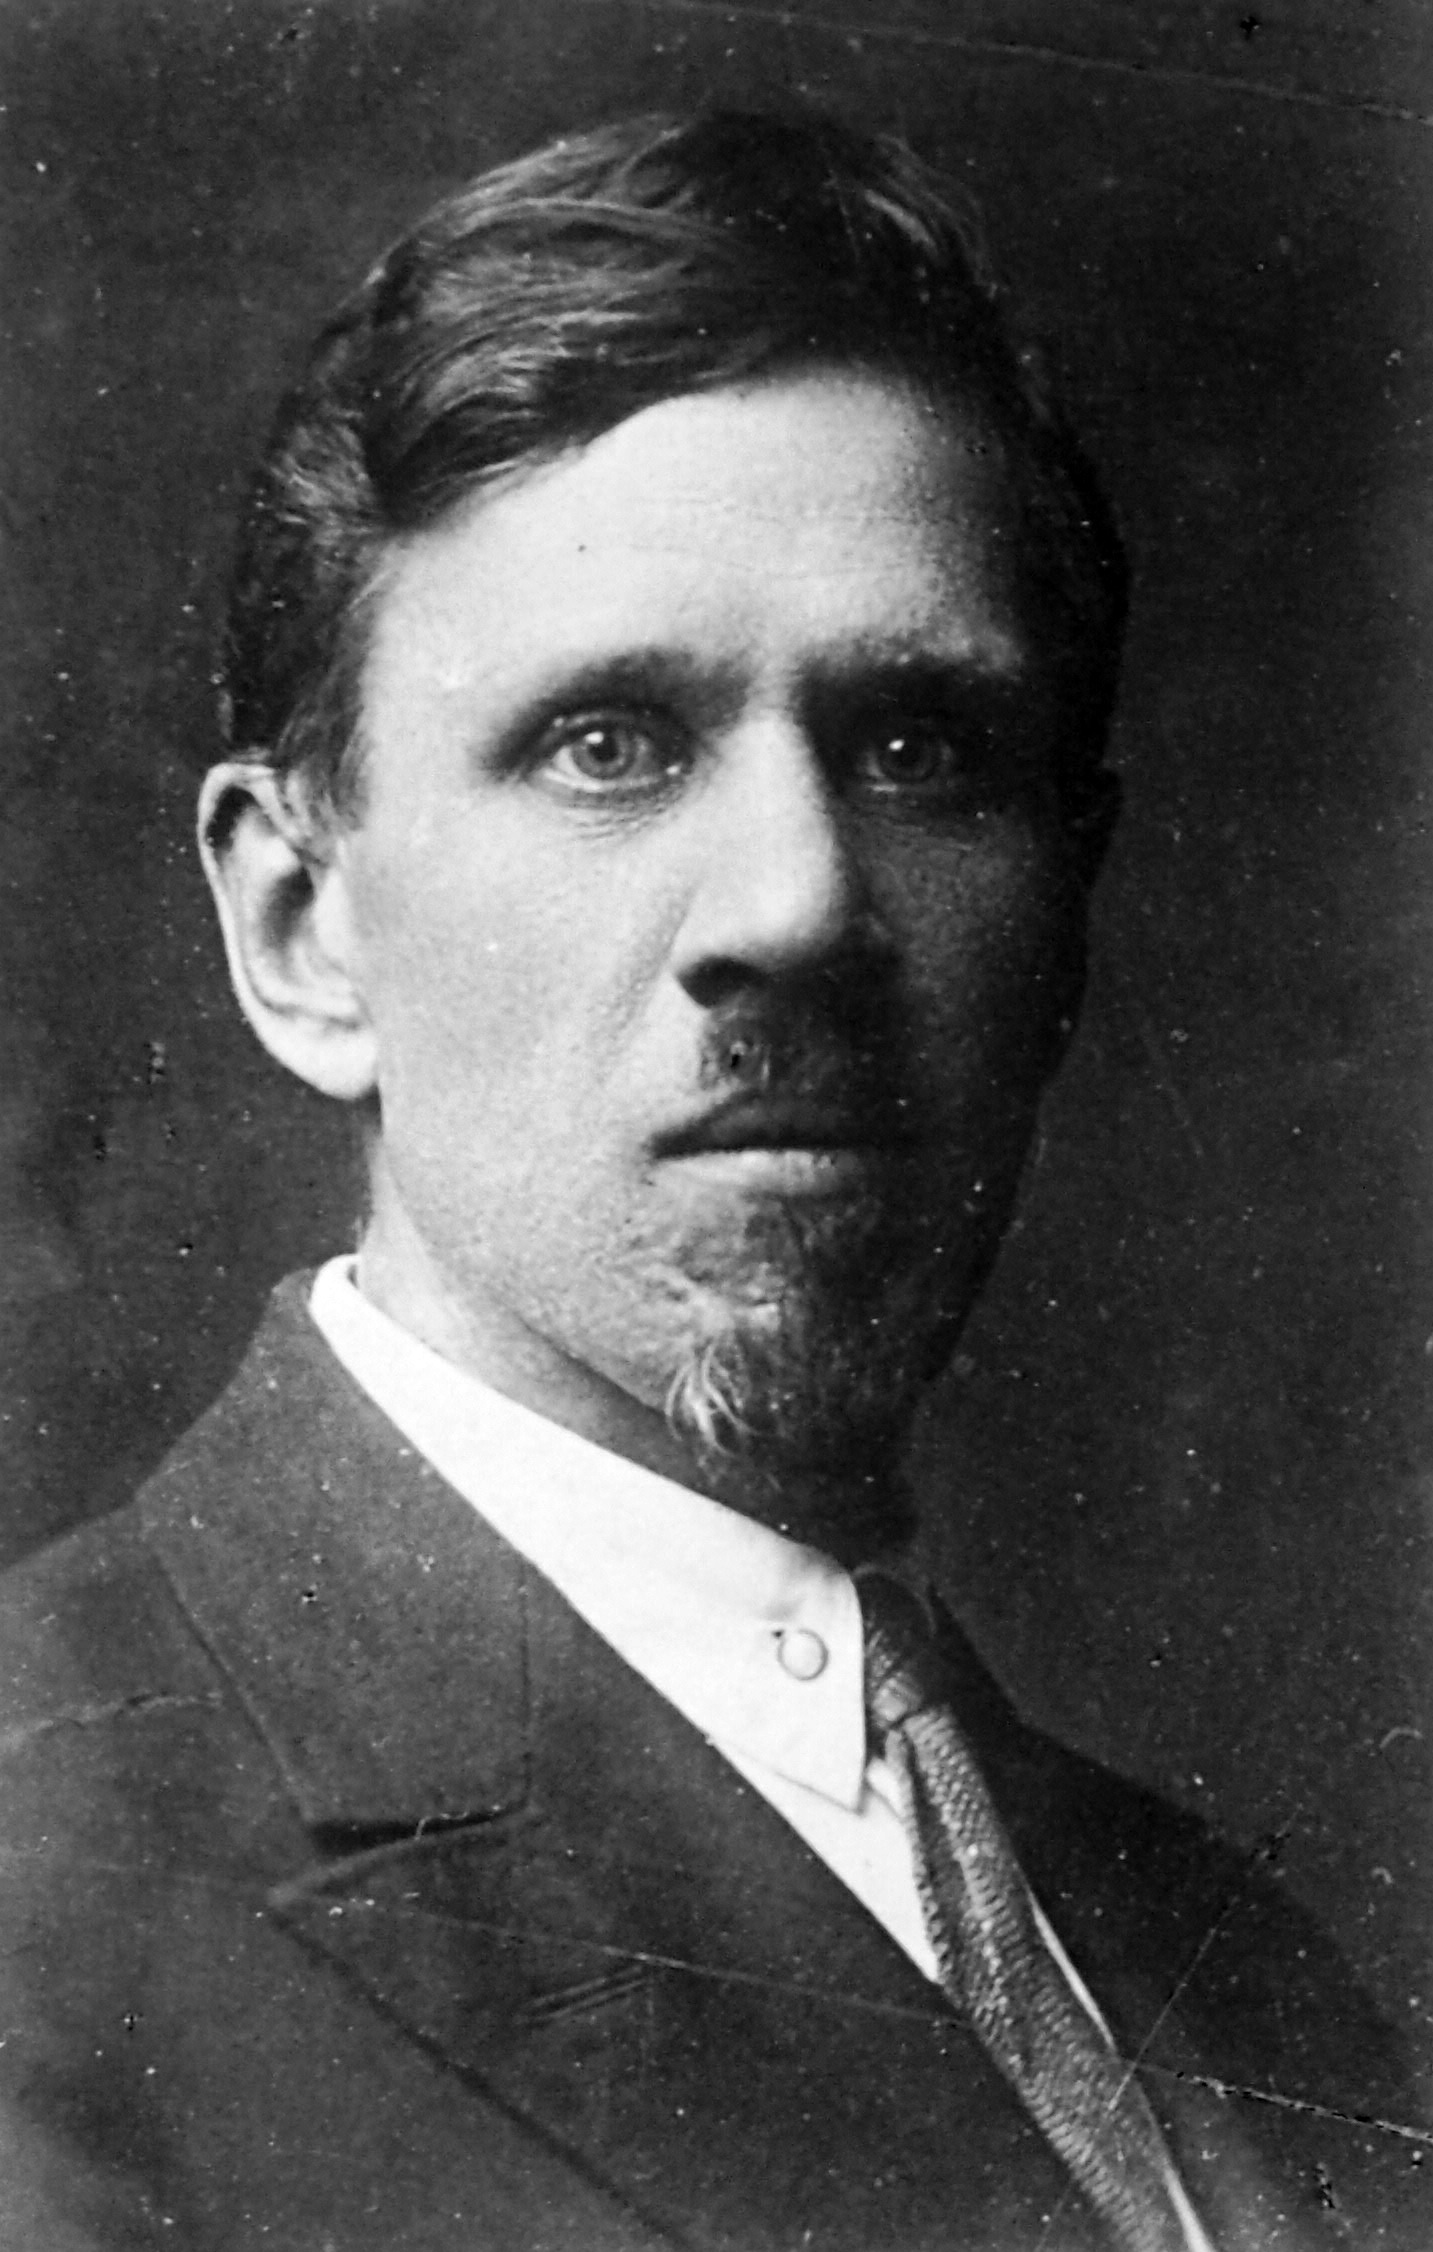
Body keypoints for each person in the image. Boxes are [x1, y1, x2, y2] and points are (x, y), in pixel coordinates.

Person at [0, 107, 1423, 2252]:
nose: (798, 904)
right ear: (301, 929)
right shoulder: (49, 1912)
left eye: (920, 747)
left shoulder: (1240, 1968)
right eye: (610, 744)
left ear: (1071, 909)